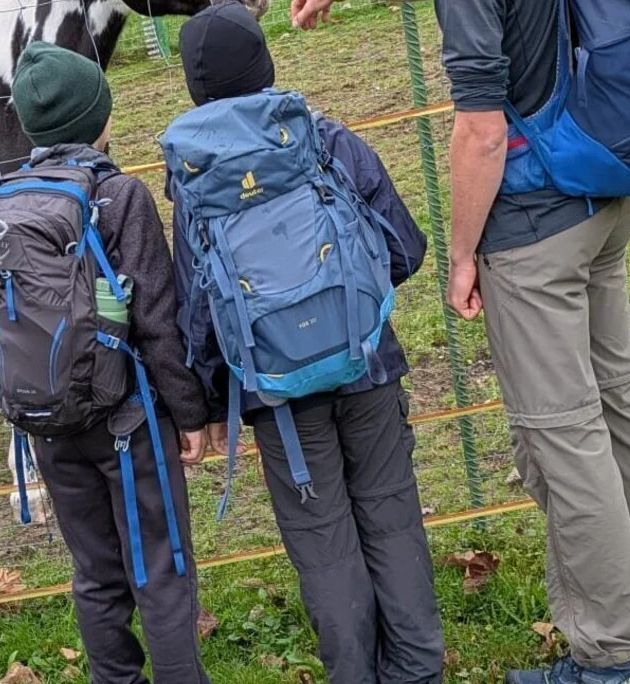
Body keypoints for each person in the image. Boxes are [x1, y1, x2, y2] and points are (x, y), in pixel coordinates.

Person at [166, 4, 441, 683]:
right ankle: (417, 671)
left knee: (323, 542)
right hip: (366, 362)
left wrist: (207, 400)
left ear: (195, 88)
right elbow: (404, 247)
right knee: (391, 514)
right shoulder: (325, 140)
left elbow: (199, 307)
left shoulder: (194, 179)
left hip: (275, 395)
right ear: (266, 61)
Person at [435, 1, 630, 682]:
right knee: (623, 407)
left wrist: (462, 254)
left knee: (565, 437)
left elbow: (481, 132)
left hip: (534, 226)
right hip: (605, 189)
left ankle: (613, 656)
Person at [0, 42, 212, 684]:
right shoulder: (119, 197)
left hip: (46, 423)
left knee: (96, 572)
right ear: (100, 118)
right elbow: (157, 319)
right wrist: (189, 412)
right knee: (160, 569)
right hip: (128, 420)